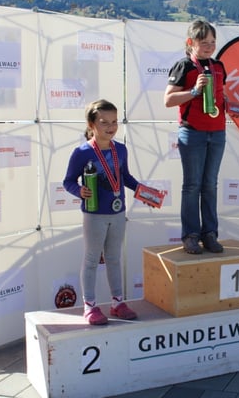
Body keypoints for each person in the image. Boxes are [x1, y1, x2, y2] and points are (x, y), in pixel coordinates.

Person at [63, 99, 139, 325]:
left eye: (114, 121)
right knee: (91, 259)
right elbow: (68, 181)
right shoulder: (82, 152)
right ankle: (90, 306)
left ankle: (117, 303)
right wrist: (79, 190)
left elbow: (126, 177)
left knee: (114, 258)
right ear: (91, 124)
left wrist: (144, 192)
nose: (110, 127)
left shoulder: (121, 149)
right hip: (94, 214)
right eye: (104, 122)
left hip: (117, 212)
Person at [164, 20, 227, 255]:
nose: (210, 47)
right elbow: (168, 100)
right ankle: (190, 235)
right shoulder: (184, 66)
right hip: (192, 133)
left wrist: (231, 104)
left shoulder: (219, 66)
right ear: (191, 42)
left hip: (217, 131)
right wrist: (193, 91)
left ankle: (209, 234)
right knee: (192, 185)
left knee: (210, 185)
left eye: (213, 42)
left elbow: (220, 95)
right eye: (204, 42)